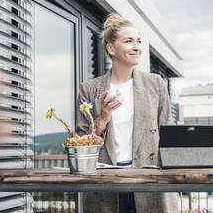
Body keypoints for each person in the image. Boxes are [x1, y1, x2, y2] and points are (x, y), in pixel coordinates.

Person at [76, 14, 180, 213]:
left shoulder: (156, 84)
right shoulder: (89, 90)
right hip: (106, 186)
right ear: (111, 48)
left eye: (139, 41)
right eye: (129, 41)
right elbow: (82, 146)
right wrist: (102, 120)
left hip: (149, 182)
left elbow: (169, 133)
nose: (136, 47)